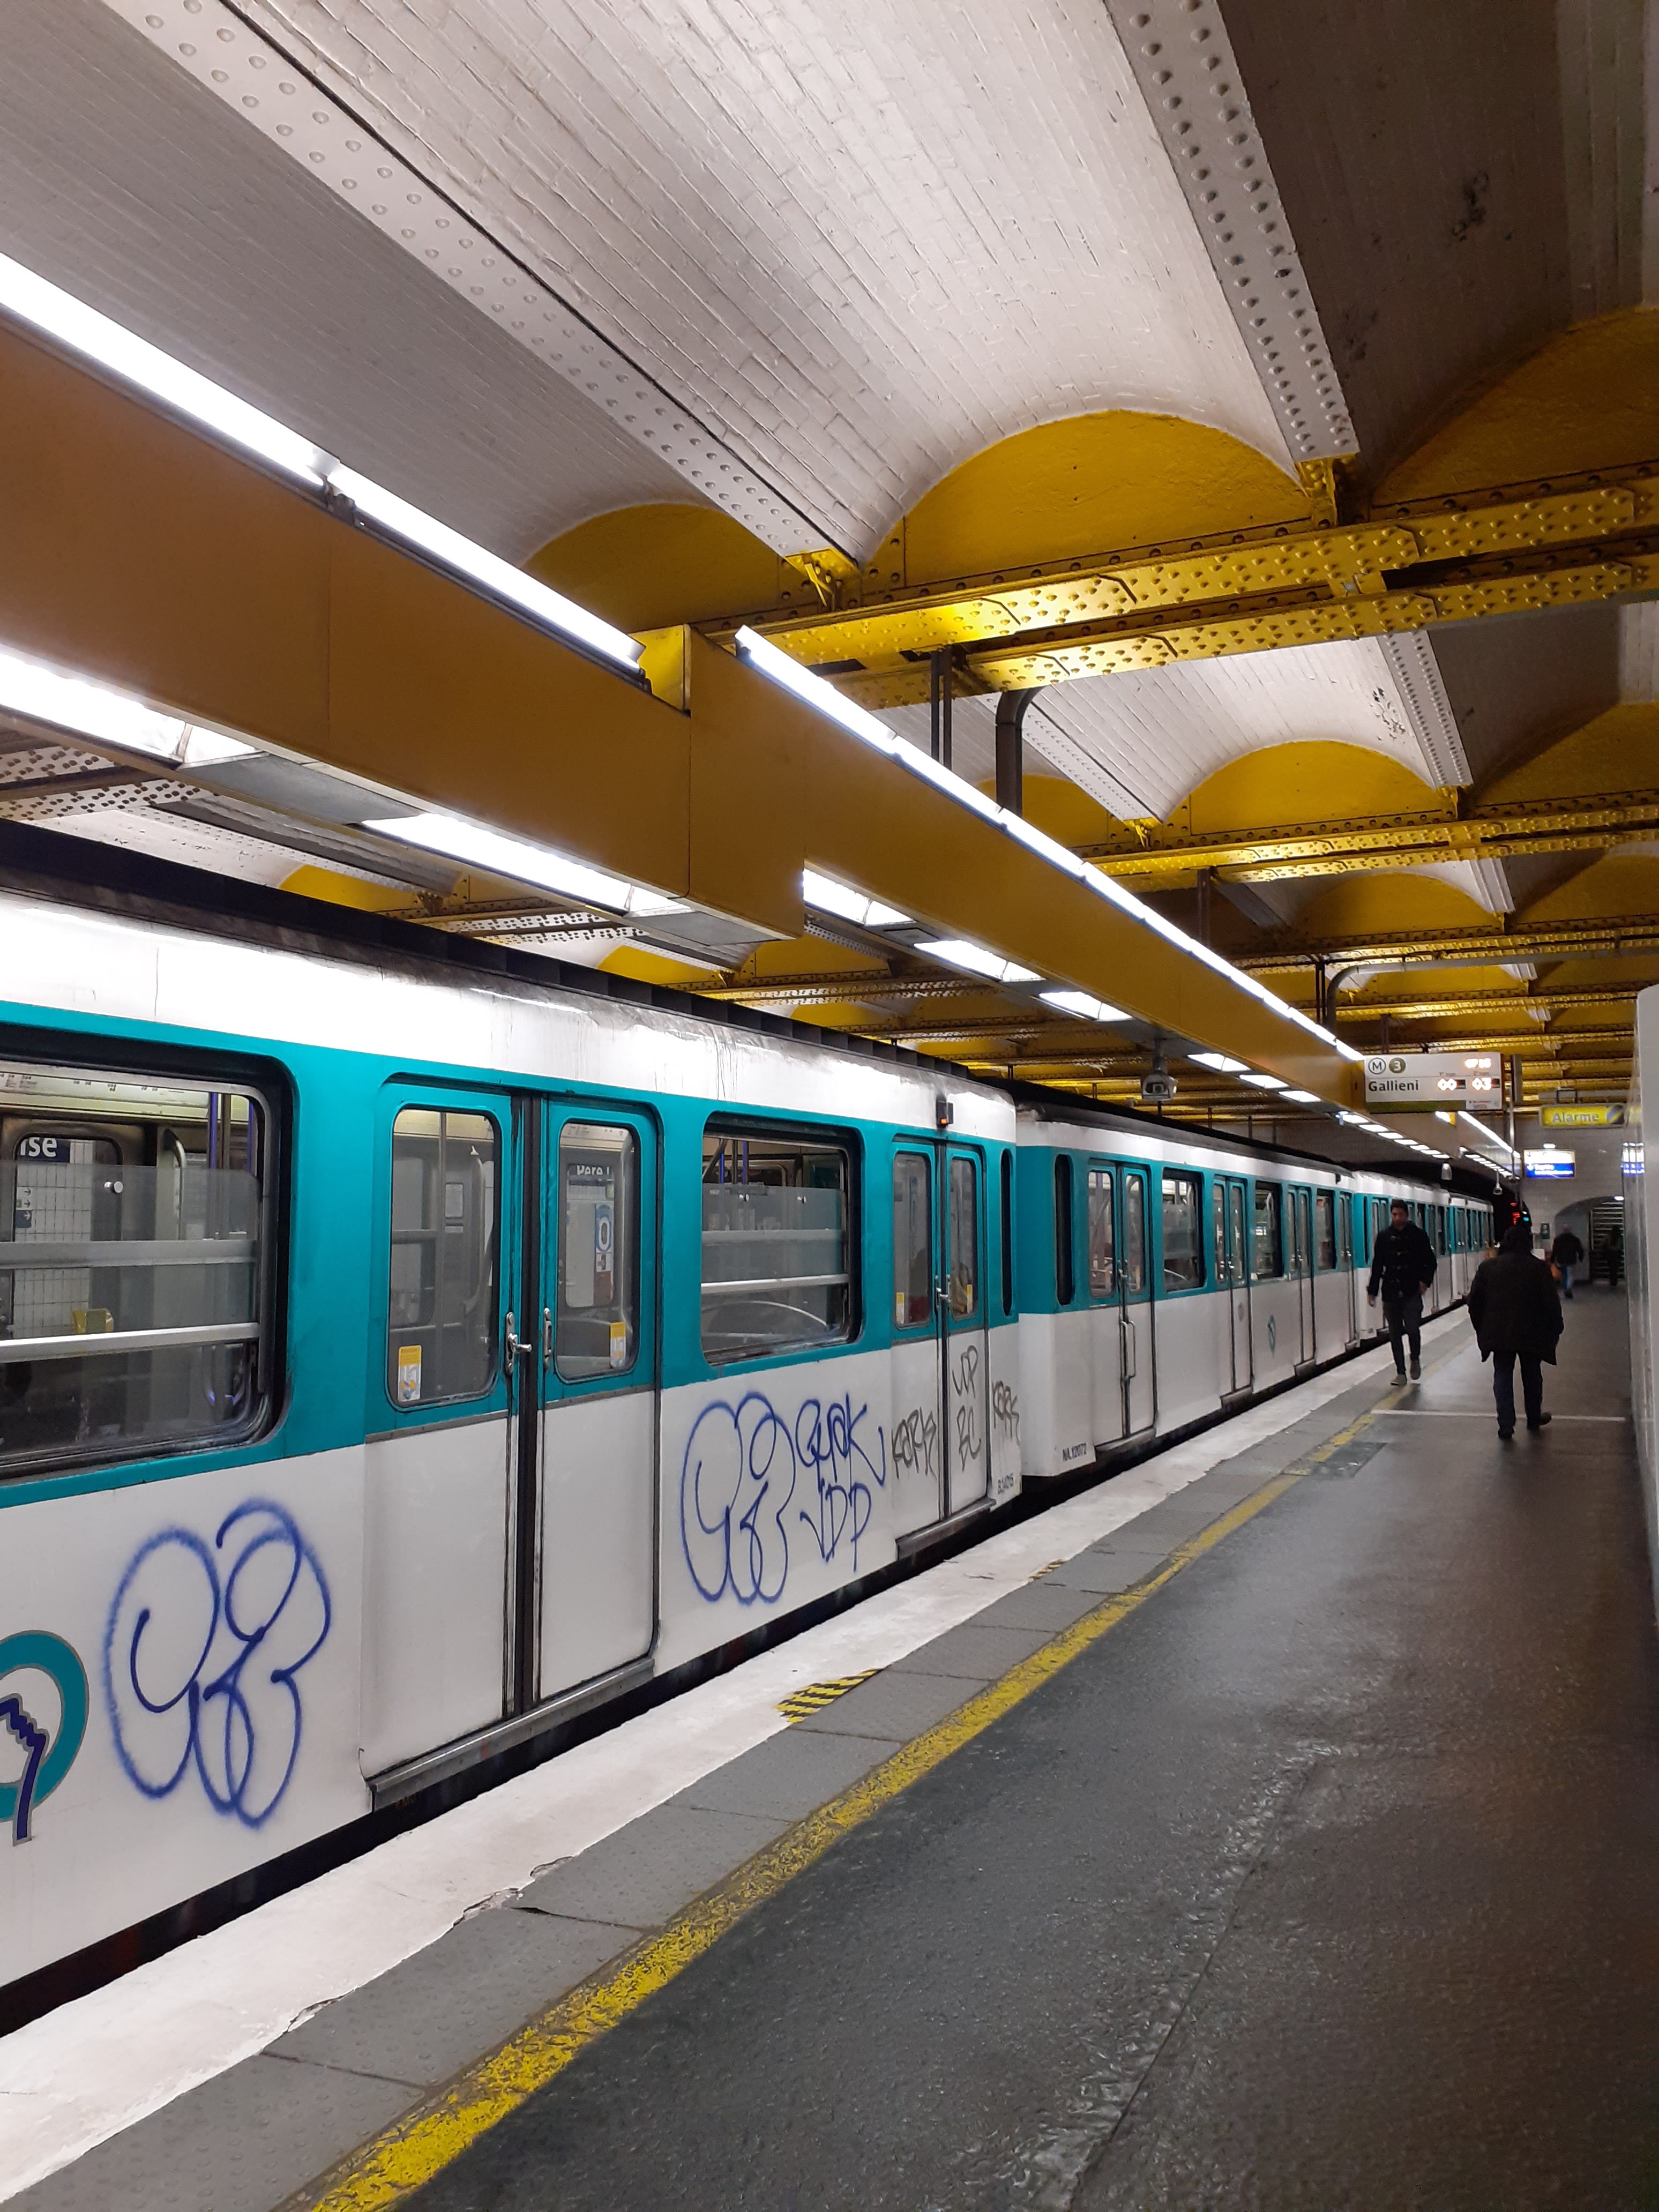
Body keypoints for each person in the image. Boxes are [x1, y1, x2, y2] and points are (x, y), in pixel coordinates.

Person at [1467, 1221, 1564, 1438]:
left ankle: (1505, 1425)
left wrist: (1481, 1327)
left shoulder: (1488, 1268)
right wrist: (1556, 1326)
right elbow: (1551, 1302)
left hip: (1499, 1332)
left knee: (1502, 1374)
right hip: (1532, 1332)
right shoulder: (1539, 1268)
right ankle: (1534, 1418)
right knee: (1532, 1374)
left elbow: (1474, 1302)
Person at [1366, 1198, 1437, 1381]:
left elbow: (1430, 1261)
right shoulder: (1383, 1237)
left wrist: (1425, 1281)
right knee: (1395, 1333)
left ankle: (1415, 1358)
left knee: (1413, 1328)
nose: (1397, 1218)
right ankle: (1400, 1372)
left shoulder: (1418, 1235)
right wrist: (1372, 1291)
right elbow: (1377, 1265)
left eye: (1401, 1215)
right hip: (1390, 1291)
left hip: (1411, 1290)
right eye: (1394, 1215)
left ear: (1407, 1215)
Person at [1549, 1224, 1584, 1298]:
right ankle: (1568, 1289)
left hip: (1561, 1260)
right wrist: (1581, 1257)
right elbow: (1580, 1249)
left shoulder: (1558, 1239)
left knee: (1564, 1275)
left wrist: (1552, 1259)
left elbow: (1555, 1250)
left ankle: (1565, 1288)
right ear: (1570, 1230)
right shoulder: (1575, 1239)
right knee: (1570, 1275)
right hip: (1571, 1260)